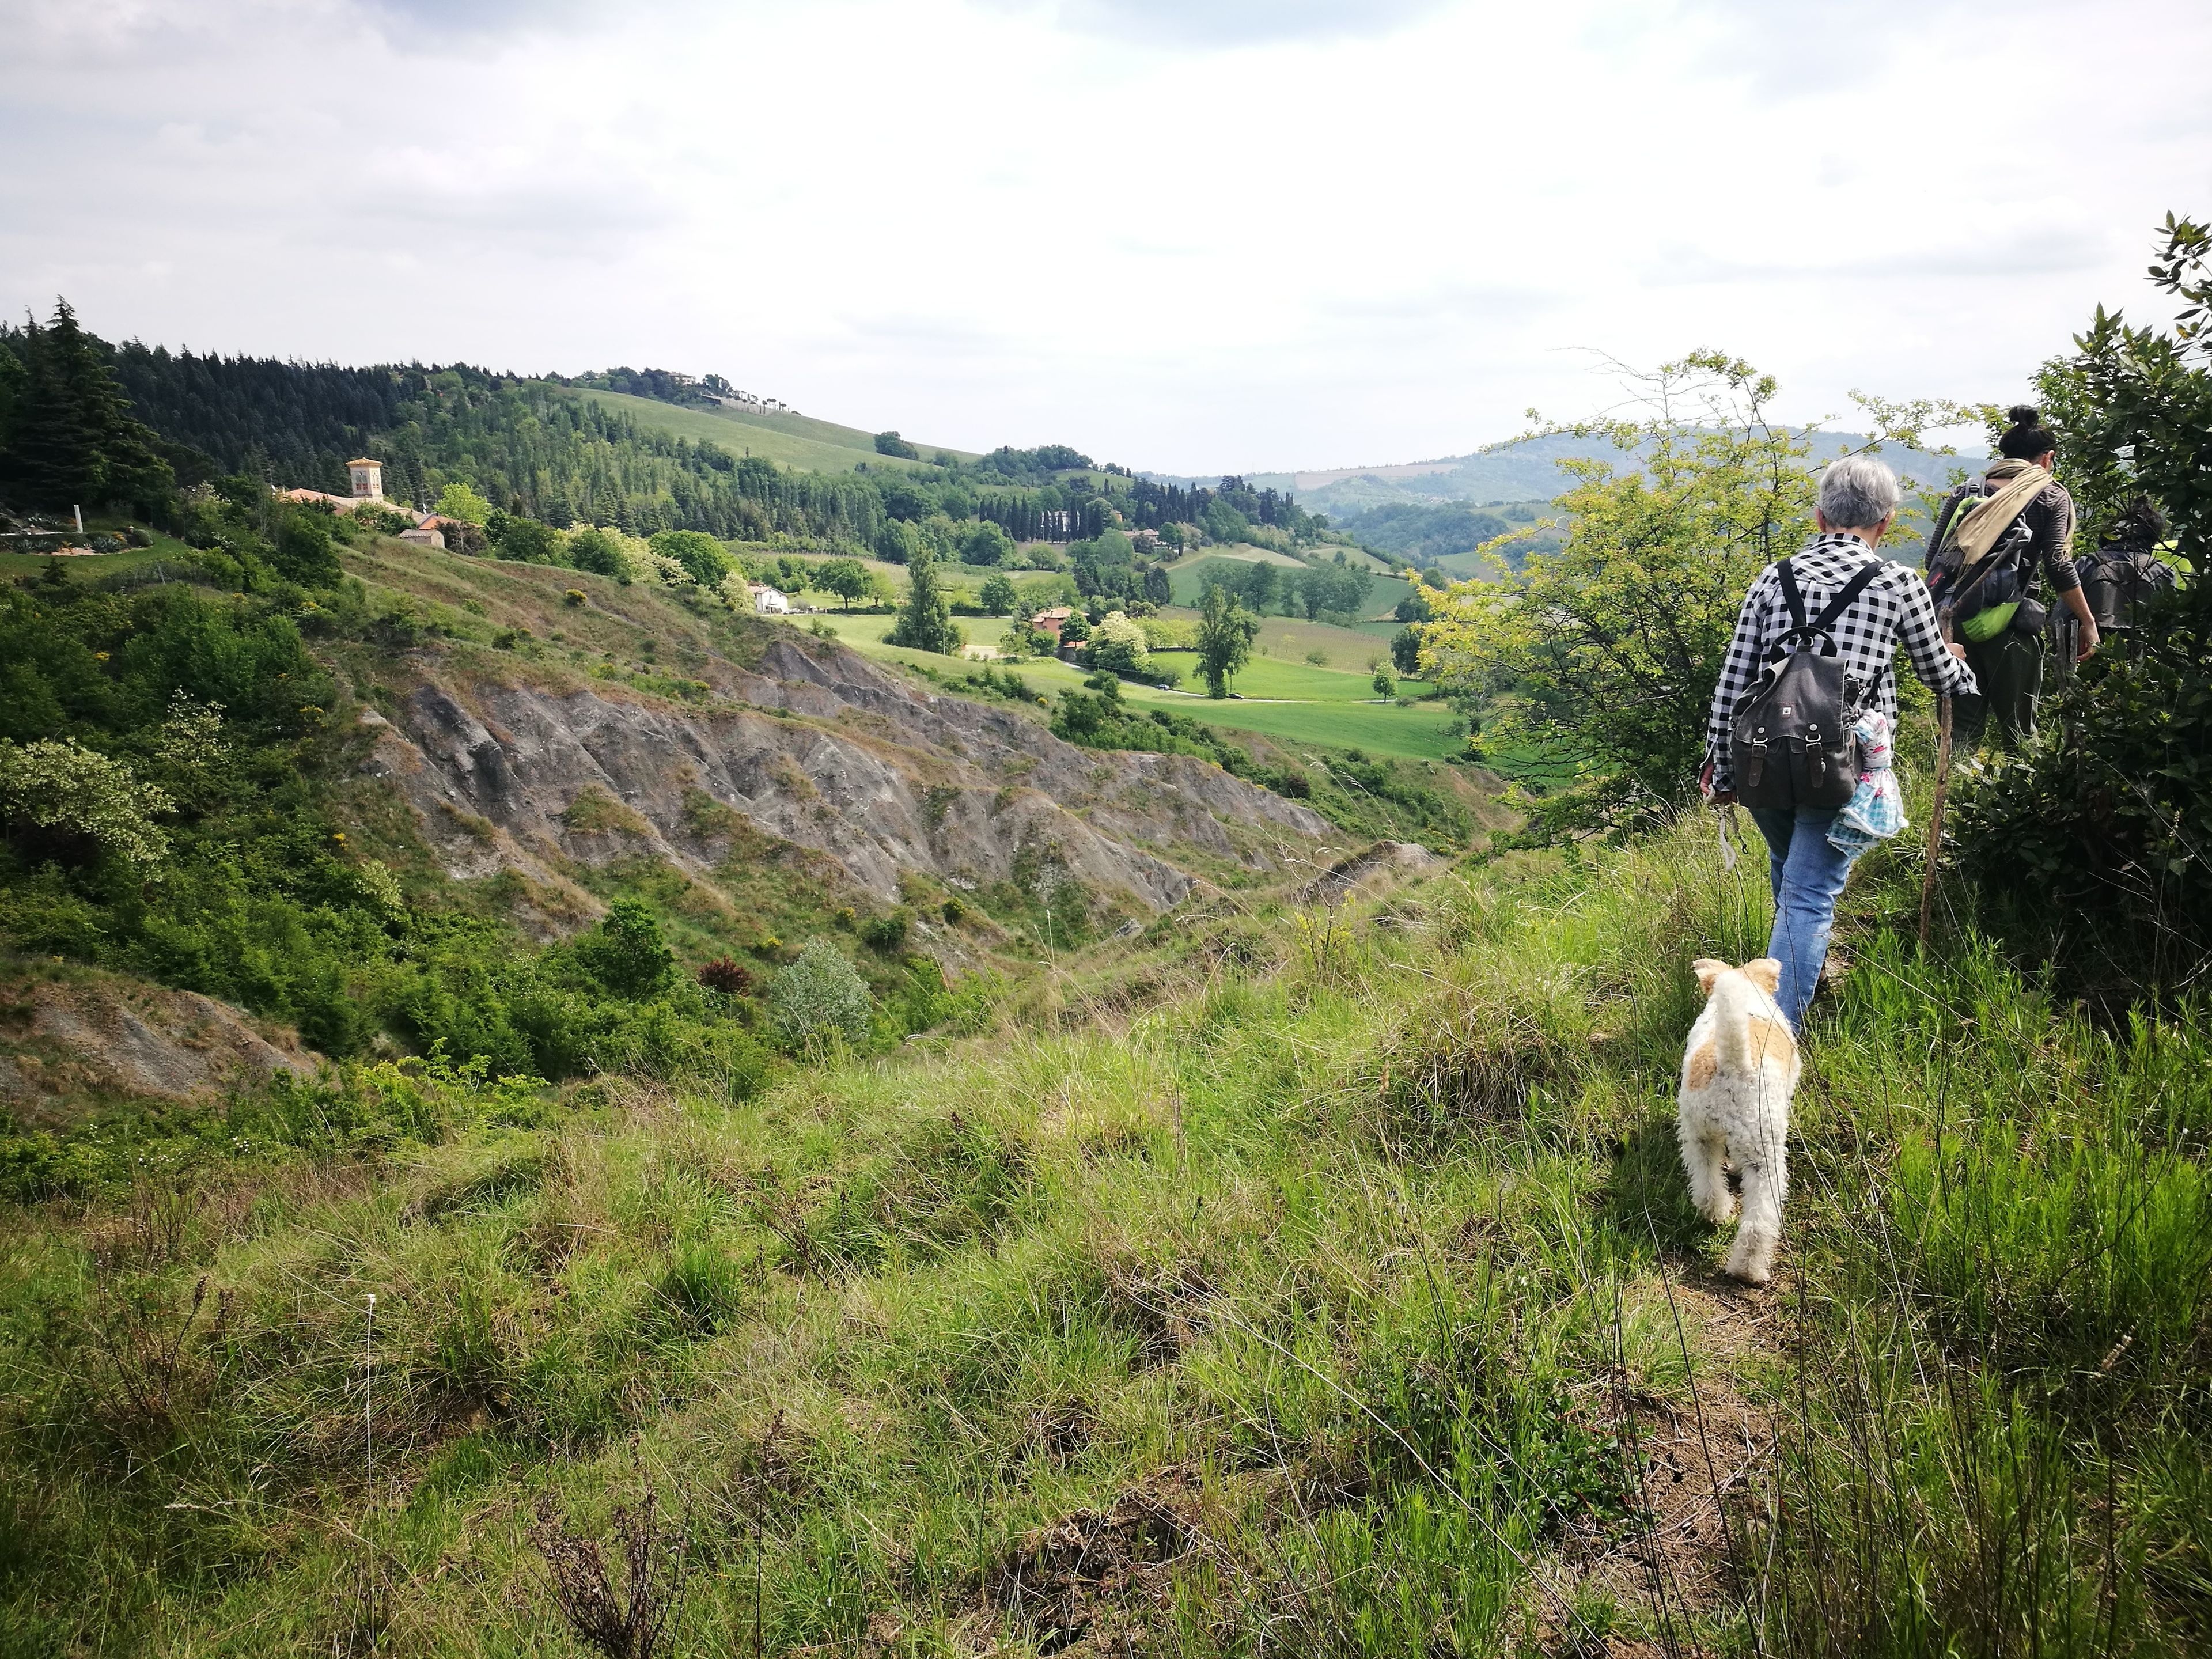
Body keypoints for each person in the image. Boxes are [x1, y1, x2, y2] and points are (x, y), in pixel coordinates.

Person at [1701, 454, 1977, 1032]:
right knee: (1807, 897)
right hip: (1842, 765)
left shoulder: (1773, 579)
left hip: (1763, 759)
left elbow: (1733, 682)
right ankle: (1769, 1044)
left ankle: (1801, 979)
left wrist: (1721, 769)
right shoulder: (1898, 584)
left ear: (1821, 515)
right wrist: (1965, 670)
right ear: (1889, 521)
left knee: (1790, 875)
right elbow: (1935, 672)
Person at [1931, 407, 2100, 749]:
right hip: (2010, 625)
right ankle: (2019, 802)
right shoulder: (2050, 494)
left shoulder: (1966, 491)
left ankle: (1952, 800)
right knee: (2020, 734)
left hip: (1954, 623)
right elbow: (2058, 563)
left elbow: (1934, 558)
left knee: (1961, 732)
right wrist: (2087, 621)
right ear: (2047, 458)